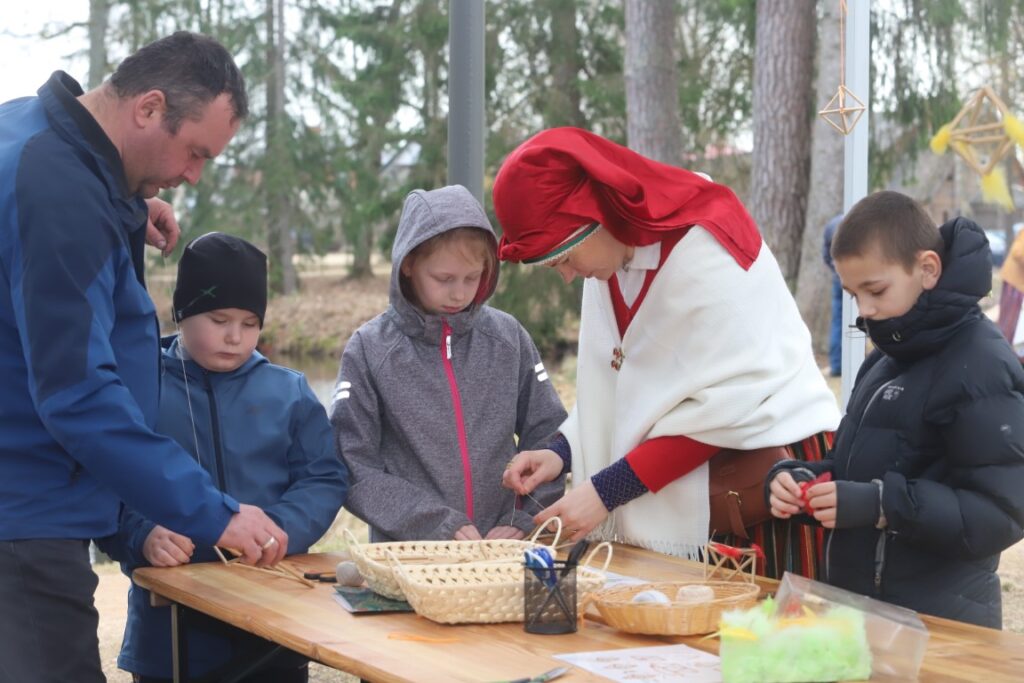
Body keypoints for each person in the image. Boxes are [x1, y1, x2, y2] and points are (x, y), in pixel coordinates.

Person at [0, 33, 287, 683]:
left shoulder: (35, 131)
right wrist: (216, 511)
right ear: (149, 107)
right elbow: (78, 394)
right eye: (196, 152)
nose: (194, 175)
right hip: (23, 514)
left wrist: (123, 207)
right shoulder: (62, 193)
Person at [495, 128, 841, 577]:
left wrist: (605, 491)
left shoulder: (710, 247)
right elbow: (617, 387)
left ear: (595, 217)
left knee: (762, 620)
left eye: (563, 258)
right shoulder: (607, 261)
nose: (566, 275)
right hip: (668, 483)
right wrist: (561, 452)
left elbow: (728, 403)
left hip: (764, 481)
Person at [767, 191, 1024, 628]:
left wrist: (882, 505)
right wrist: (799, 480)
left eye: (876, 290)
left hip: (941, 626)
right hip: (864, 616)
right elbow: (855, 468)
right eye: (853, 294)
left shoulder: (981, 364)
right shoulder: (885, 360)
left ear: (927, 269)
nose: (865, 311)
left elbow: (1001, 514)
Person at [110, 233, 349, 682]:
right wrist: (141, 535)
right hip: (168, 628)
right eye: (218, 319)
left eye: (250, 322)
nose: (235, 336)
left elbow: (324, 478)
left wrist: (277, 529)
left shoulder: (290, 391)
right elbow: (106, 479)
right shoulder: (136, 386)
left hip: (275, 620)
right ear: (182, 312)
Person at [331, 185, 568, 542]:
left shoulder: (508, 338)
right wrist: (433, 523)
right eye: (444, 279)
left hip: (503, 550)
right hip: (411, 556)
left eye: (472, 278)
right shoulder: (369, 349)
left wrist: (523, 518)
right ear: (408, 264)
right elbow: (352, 463)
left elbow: (549, 433)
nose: (460, 293)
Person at [996, 227, 1024, 361]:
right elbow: (1018, 252)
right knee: (1009, 319)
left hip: (1019, 284)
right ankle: (1004, 352)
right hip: (1015, 283)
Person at [823, 213, 844, 377]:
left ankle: (836, 365)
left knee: (838, 322)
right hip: (855, 279)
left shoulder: (831, 225)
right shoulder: (862, 222)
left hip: (839, 279)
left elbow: (825, 256)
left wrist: (838, 272)